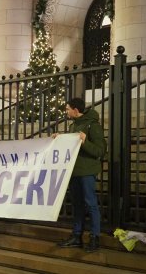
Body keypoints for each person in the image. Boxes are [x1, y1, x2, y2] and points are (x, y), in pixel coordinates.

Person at [54, 97, 105, 253]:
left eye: (68, 109)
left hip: (87, 172)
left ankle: (94, 237)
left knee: (91, 204)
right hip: (74, 171)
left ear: (76, 110)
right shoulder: (72, 126)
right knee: (77, 205)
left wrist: (85, 141)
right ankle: (77, 236)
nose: (66, 111)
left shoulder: (93, 125)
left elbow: (100, 151)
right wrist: (59, 139)